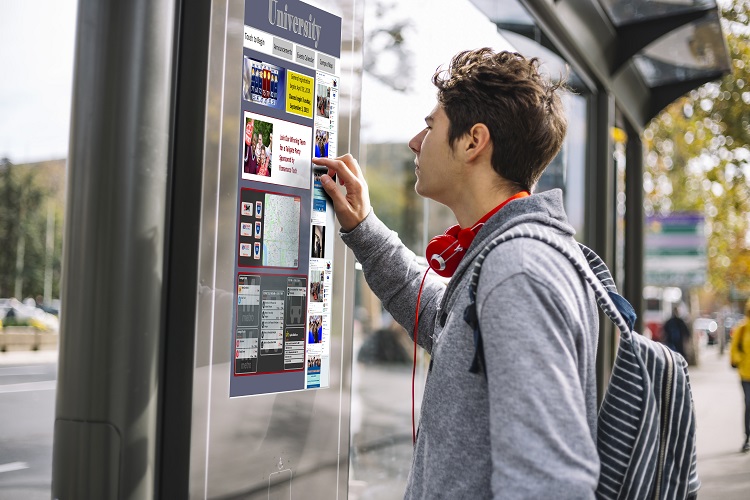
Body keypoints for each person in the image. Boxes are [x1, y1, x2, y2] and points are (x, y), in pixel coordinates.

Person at [313, 48, 599, 498]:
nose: (414, 141)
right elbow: (440, 318)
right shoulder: (506, 257)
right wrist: (363, 228)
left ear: (473, 141)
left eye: (430, 126)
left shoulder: (518, 271)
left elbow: (550, 481)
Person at [730, 299, 750, 453]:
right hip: (745, 373)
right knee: (748, 404)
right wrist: (738, 359)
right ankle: (747, 437)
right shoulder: (742, 329)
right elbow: (734, 348)